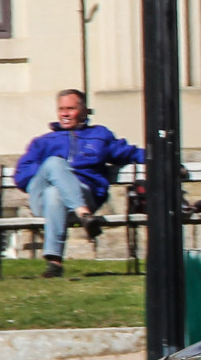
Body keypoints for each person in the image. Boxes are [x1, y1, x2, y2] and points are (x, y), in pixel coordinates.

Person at [12, 90, 146, 277]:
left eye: (71, 109)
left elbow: (129, 153)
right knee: (54, 164)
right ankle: (84, 215)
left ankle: (55, 263)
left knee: (55, 193)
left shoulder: (99, 136)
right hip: (40, 198)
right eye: (61, 109)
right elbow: (21, 176)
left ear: (83, 111)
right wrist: (58, 172)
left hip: (84, 192)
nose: (65, 114)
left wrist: (166, 160)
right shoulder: (43, 142)